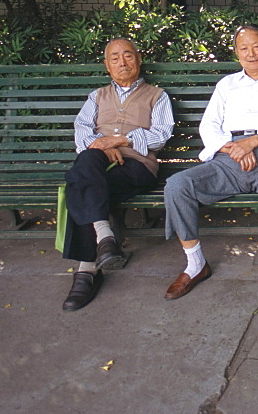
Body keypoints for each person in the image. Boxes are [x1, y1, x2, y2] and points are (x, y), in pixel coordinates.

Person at [163, 25, 258, 300]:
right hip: (227, 158)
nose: (251, 53)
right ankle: (195, 264)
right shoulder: (227, 85)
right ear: (236, 53)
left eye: (256, 46)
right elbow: (209, 124)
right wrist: (232, 148)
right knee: (177, 185)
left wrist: (253, 142)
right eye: (244, 48)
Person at [61, 38, 175, 312]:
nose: (122, 62)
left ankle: (86, 269)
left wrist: (120, 141)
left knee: (80, 182)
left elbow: (161, 135)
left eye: (127, 56)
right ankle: (103, 243)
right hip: (98, 163)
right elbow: (82, 130)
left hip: (137, 166)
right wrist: (100, 144)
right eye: (115, 58)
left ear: (138, 60)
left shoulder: (156, 95)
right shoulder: (97, 96)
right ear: (107, 66)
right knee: (87, 166)